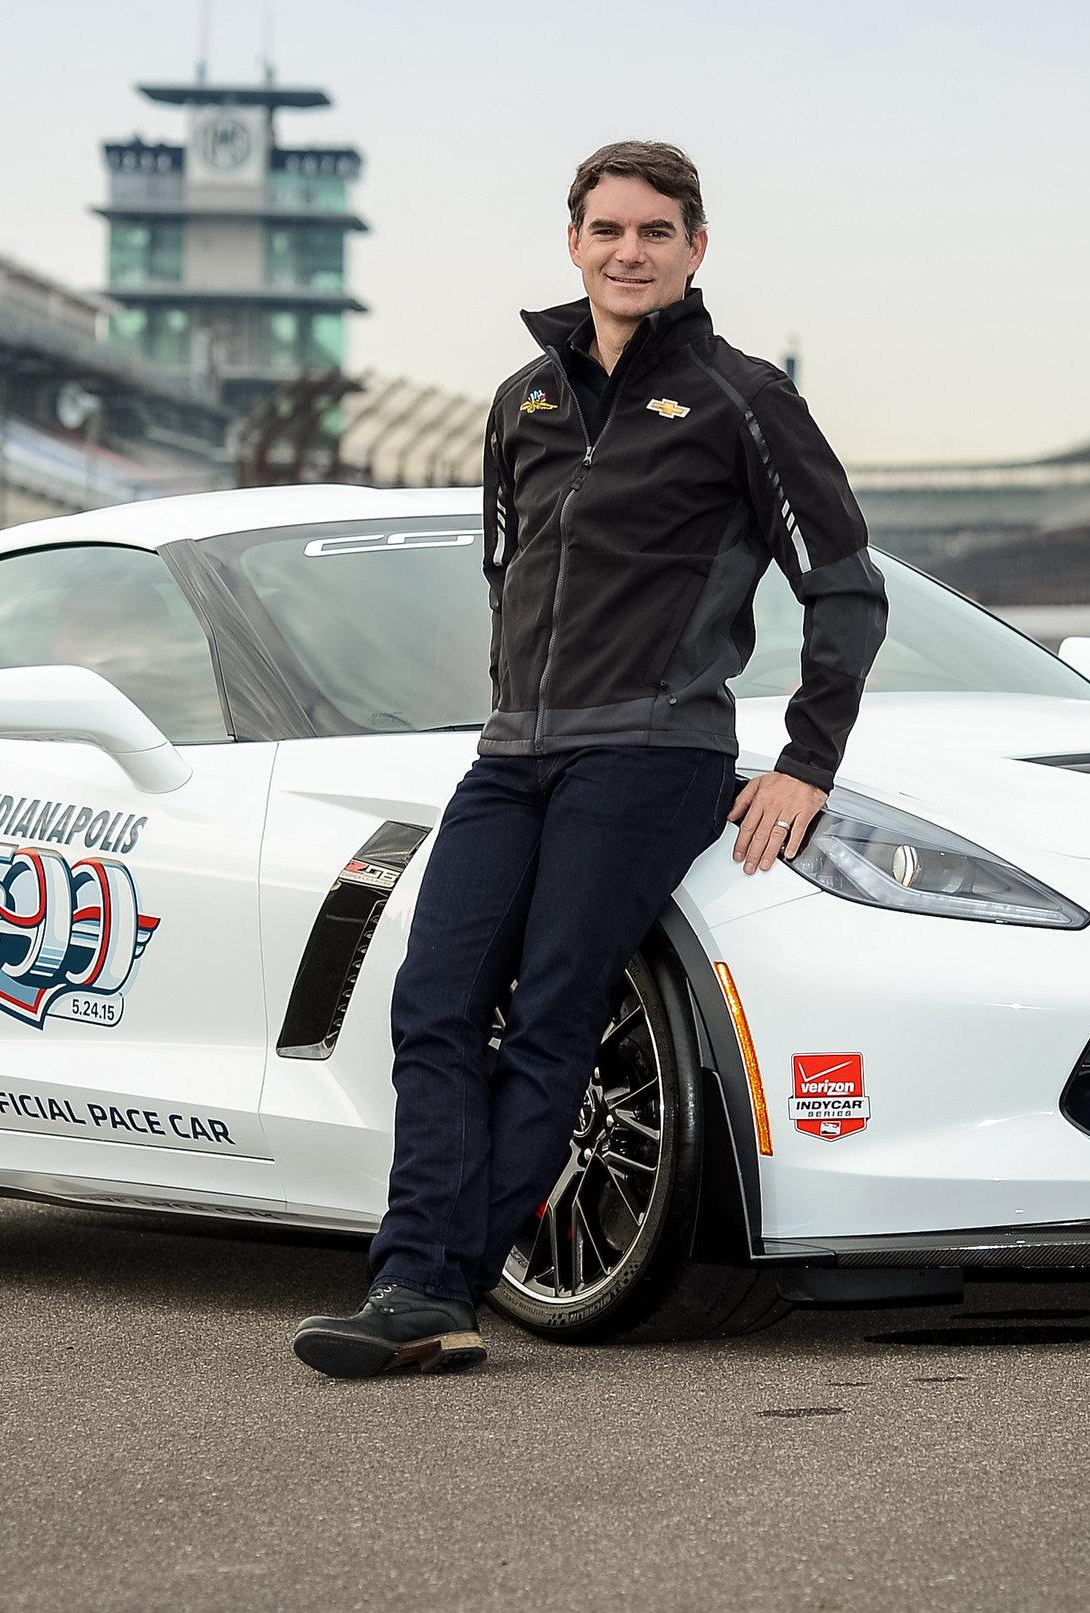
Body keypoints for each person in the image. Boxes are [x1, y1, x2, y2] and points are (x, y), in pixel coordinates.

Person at [291, 140, 886, 1378]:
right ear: (573, 241)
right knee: (435, 1000)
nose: (629, 251)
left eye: (655, 232)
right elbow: (509, 579)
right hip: (513, 754)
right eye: (607, 229)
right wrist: (514, 715)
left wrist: (806, 762)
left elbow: (844, 590)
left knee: (555, 1013)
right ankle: (424, 1281)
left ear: (695, 249)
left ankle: (424, 1287)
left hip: (651, 753)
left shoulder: (742, 398)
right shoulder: (525, 401)